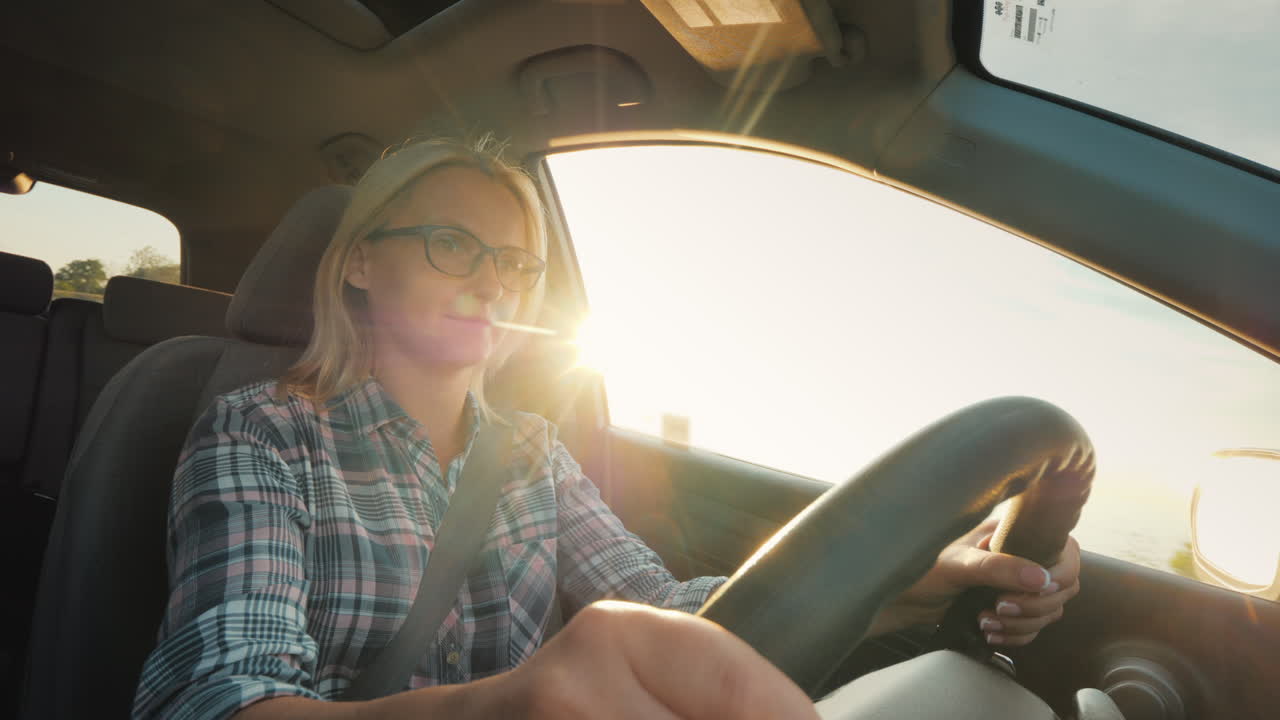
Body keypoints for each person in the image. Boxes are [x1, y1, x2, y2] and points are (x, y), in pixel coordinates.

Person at [132, 136, 1081, 720]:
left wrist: (924, 577)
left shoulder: (531, 457)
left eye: (515, 261)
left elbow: (678, 615)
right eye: (453, 243)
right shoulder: (263, 434)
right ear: (362, 265)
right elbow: (222, 701)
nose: (493, 280)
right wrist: (499, 710)